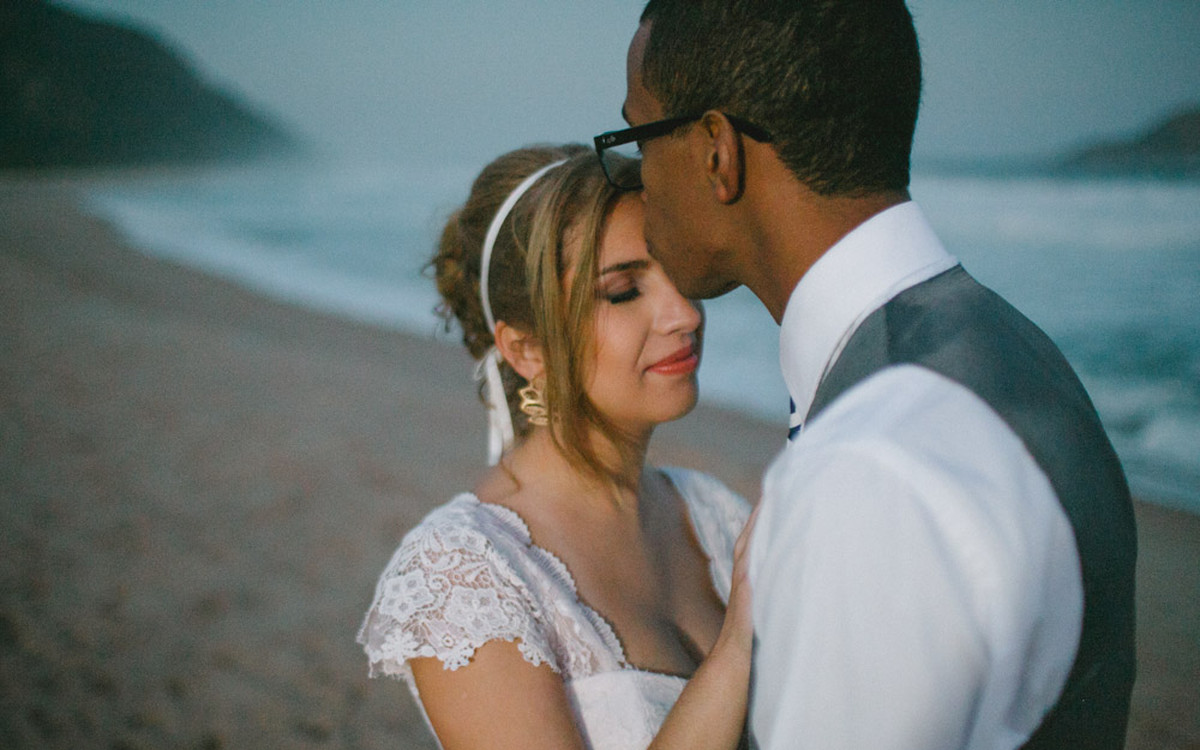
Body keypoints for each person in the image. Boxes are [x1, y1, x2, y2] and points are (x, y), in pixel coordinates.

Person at [598, 1, 1137, 748]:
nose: (639, 181)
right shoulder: (1010, 346)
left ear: (718, 153)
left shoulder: (872, 468)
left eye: (640, 138)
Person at [358, 144, 756, 750]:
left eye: (680, 274)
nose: (685, 315)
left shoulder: (714, 514)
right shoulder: (464, 577)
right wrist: (737, 647)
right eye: (622, 291)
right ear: (526, 349)